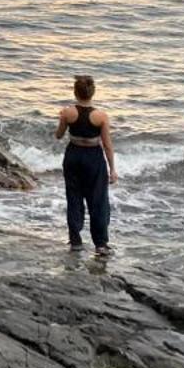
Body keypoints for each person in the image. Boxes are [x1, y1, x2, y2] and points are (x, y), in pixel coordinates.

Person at [53, 74, 115, 255]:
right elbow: (108, 145)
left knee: (73, 197)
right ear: (92, 93)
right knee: (98, 200)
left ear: (75, 92)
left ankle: (75, 241)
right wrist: (113, 170)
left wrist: (61, 119)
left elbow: (58, 135)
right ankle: (101, 244)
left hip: (73, 155)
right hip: (93, 158)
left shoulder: (67, 113)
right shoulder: (101, 116)